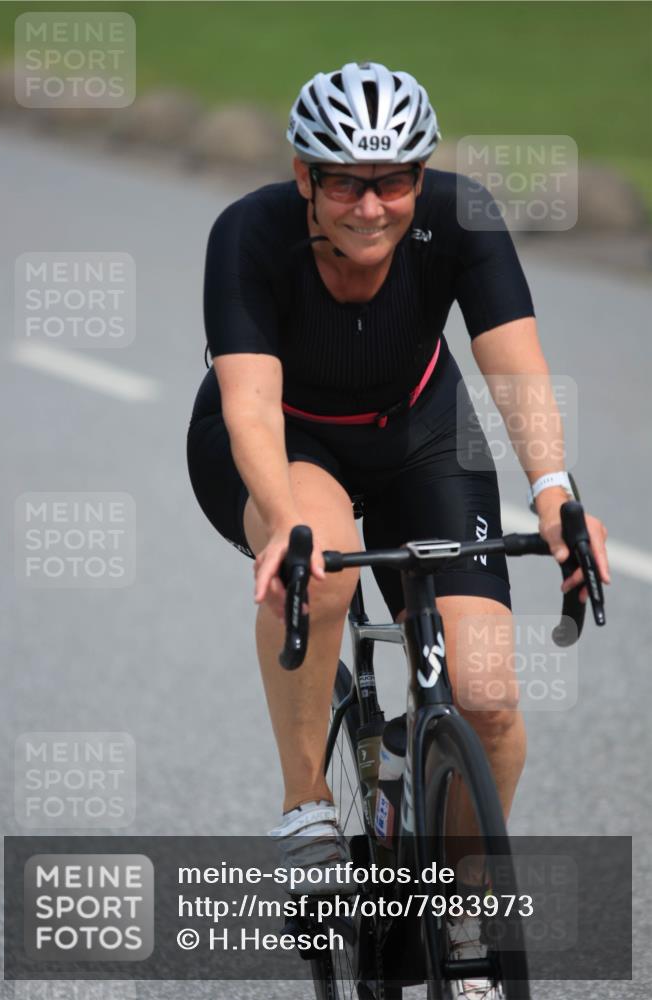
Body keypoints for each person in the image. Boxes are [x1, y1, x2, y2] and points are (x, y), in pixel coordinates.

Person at [187, 59, 610, 990]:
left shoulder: (463, 216)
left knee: (489, 700)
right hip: (283, 439)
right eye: (343, 180)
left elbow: (515, 364)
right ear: (304, 176)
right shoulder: (249, 232)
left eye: (393, 181)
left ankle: (457, 911)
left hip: (420, 436)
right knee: (325, 563)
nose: (370, 205)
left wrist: (553, 490)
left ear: (422, 176)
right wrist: (288, 523)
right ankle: (306, 806)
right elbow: (252, 407)